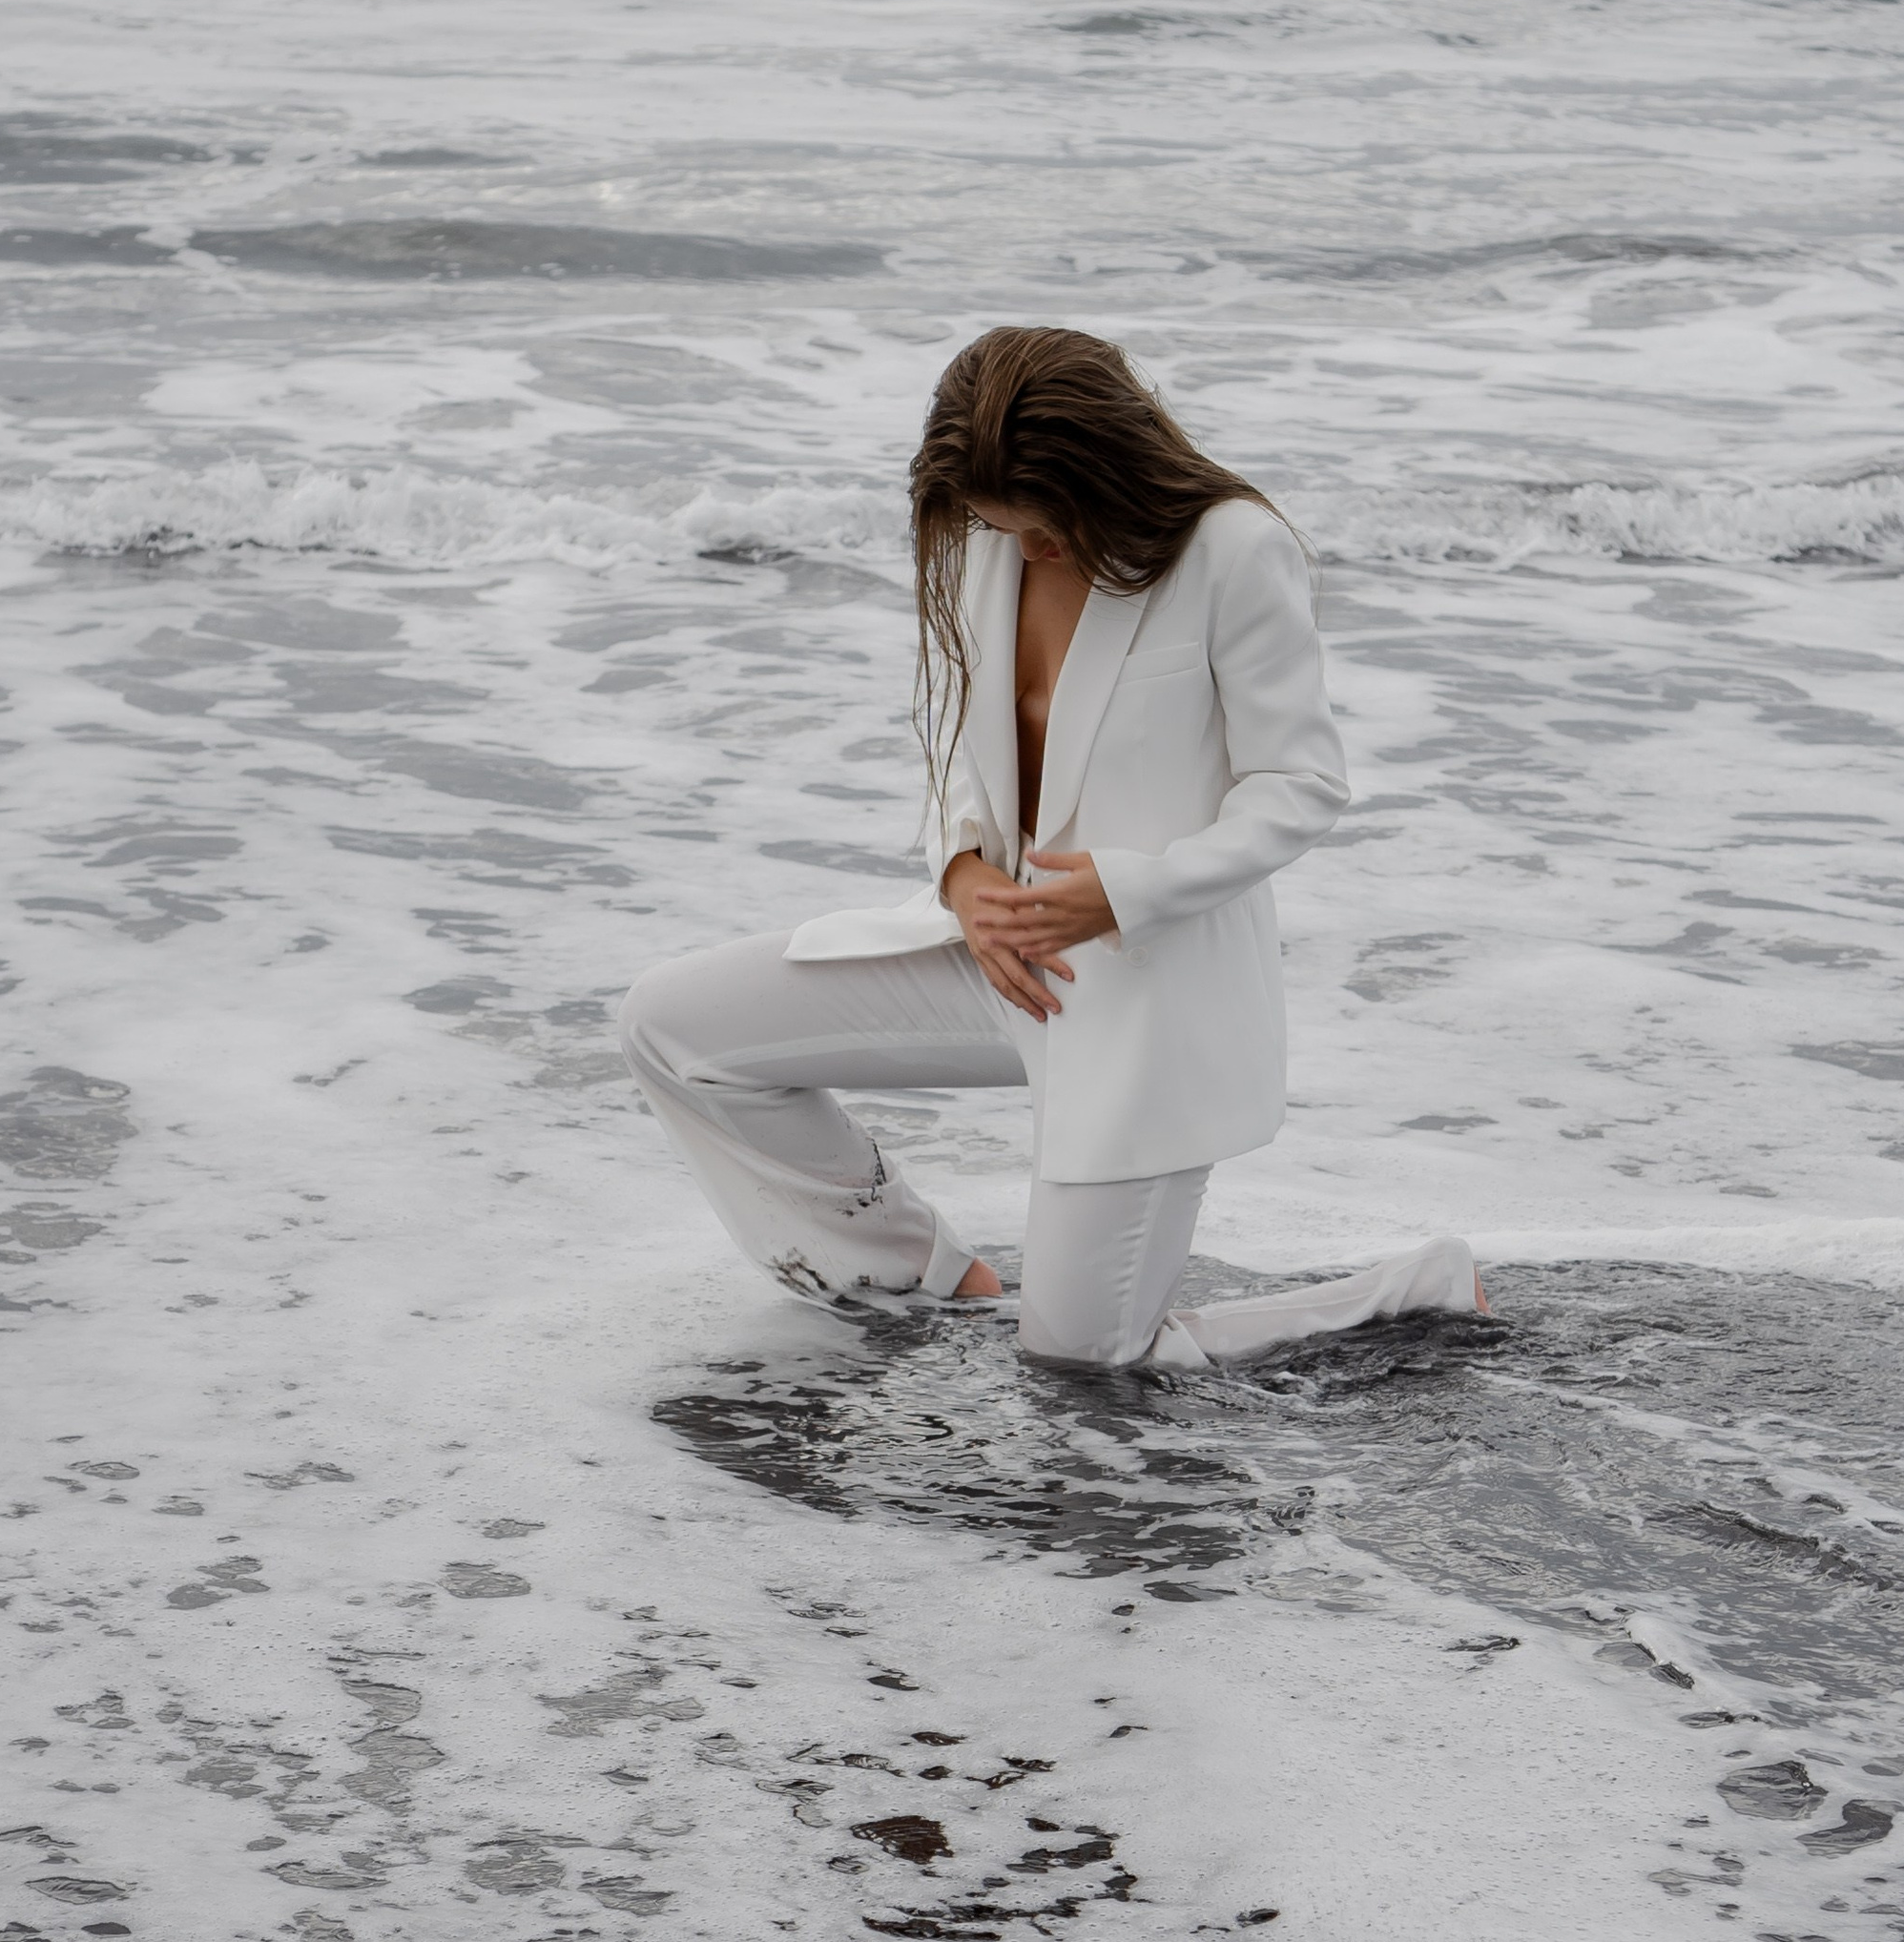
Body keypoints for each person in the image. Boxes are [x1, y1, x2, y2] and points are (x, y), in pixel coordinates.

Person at [617, 325, 1483, 1370]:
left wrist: (1124, 892)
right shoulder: (990, 539)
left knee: (1081, 1359)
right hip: (994, 956)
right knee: (674, 1028)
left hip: (1141, 992)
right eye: (997, 525)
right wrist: (962, 871)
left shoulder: (1232, 549)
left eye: (1044, 527)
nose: (1023, 550)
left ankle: (1415, 1288)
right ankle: (916, 1274)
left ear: (1108, 469)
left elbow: (1300, 787)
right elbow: (953, 742)